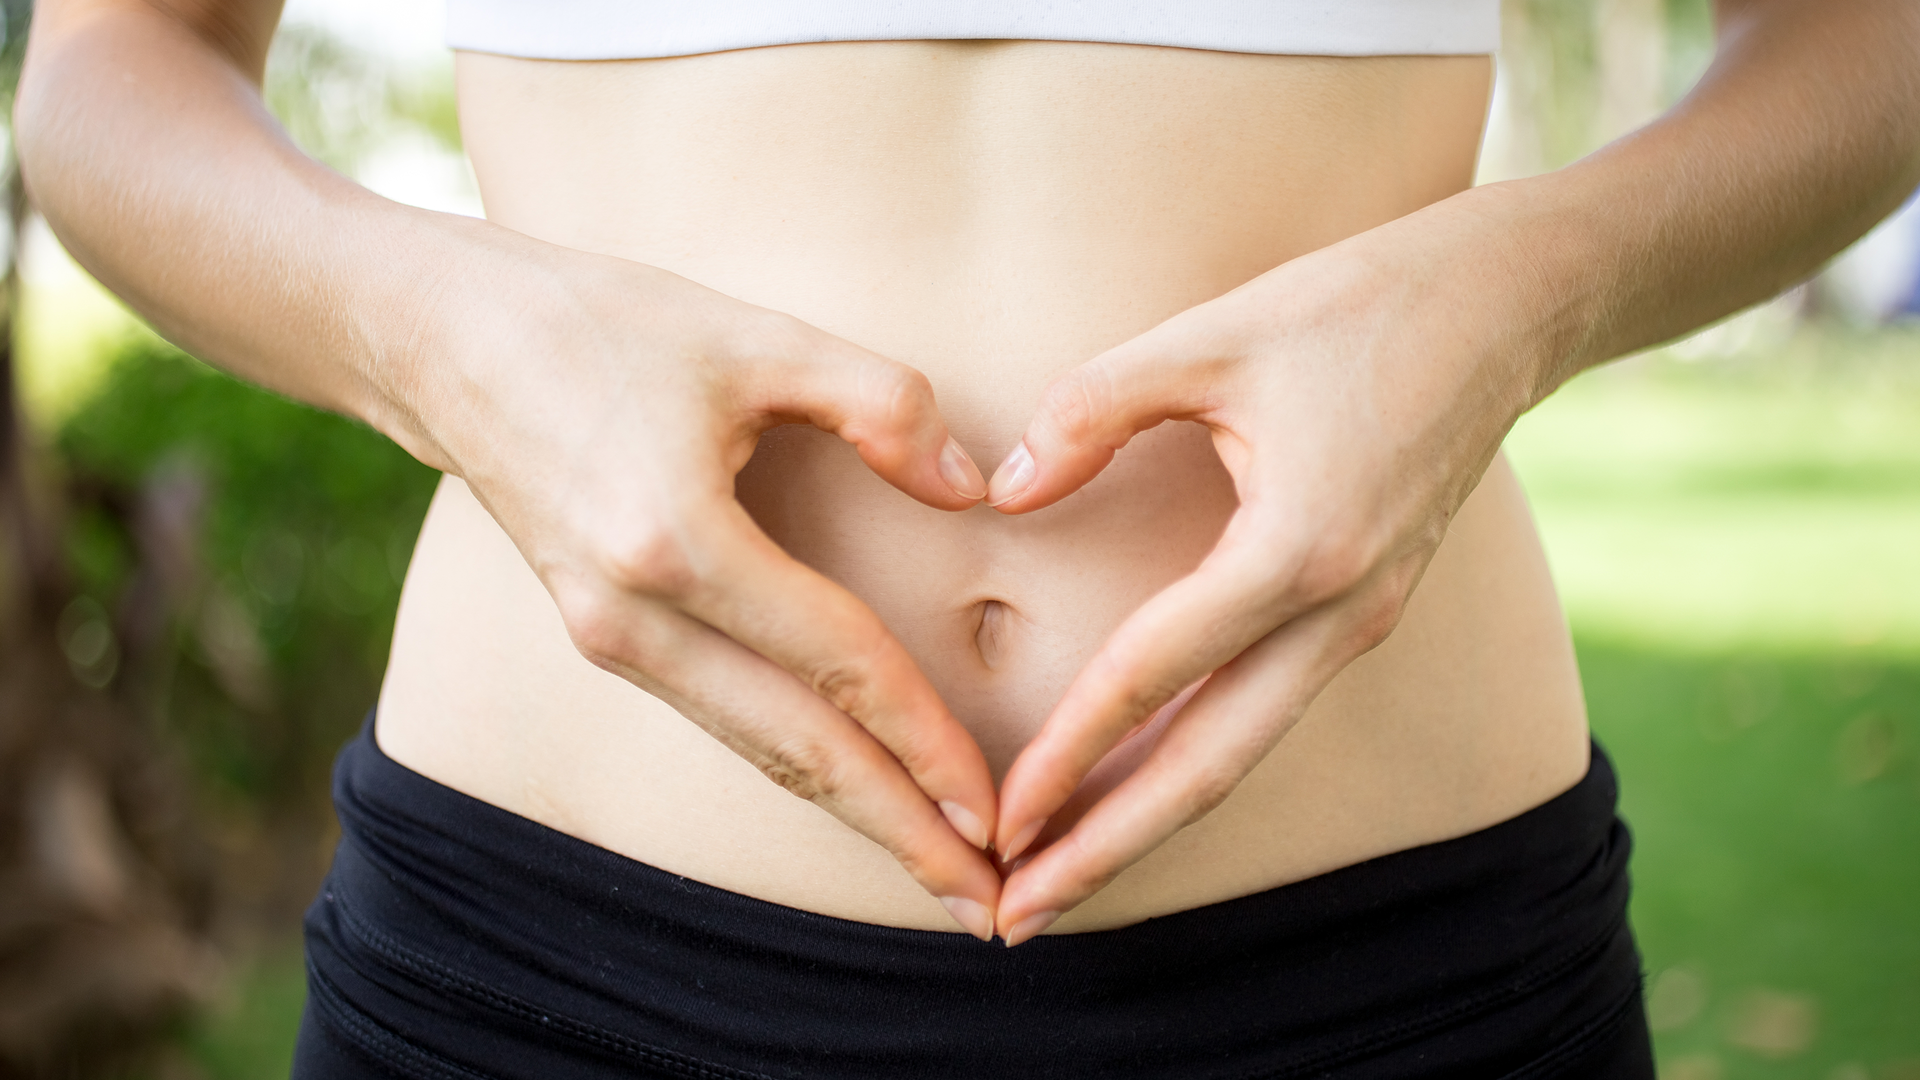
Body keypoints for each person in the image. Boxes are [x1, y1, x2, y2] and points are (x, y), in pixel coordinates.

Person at [18, 0, 1920, 1076]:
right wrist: (460, 347)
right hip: (563, 962)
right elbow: (114, 79)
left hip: (1380, 969)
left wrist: (1518, 300)